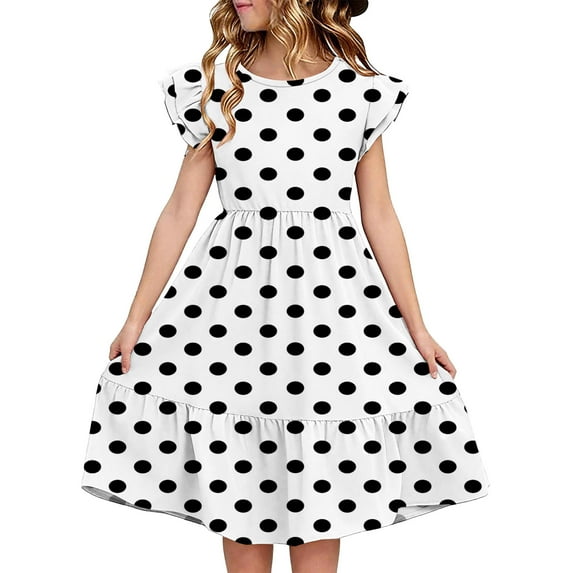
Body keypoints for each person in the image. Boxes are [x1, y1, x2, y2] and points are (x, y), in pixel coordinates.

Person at [81, 1, 490, 571]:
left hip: (333, 310)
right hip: (229, 309)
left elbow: (380, 214)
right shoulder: (217, 85)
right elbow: (179, 212)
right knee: (238, 460)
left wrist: (417, 329)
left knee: (322, 468)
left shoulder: (360, 91)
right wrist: (135, 320)